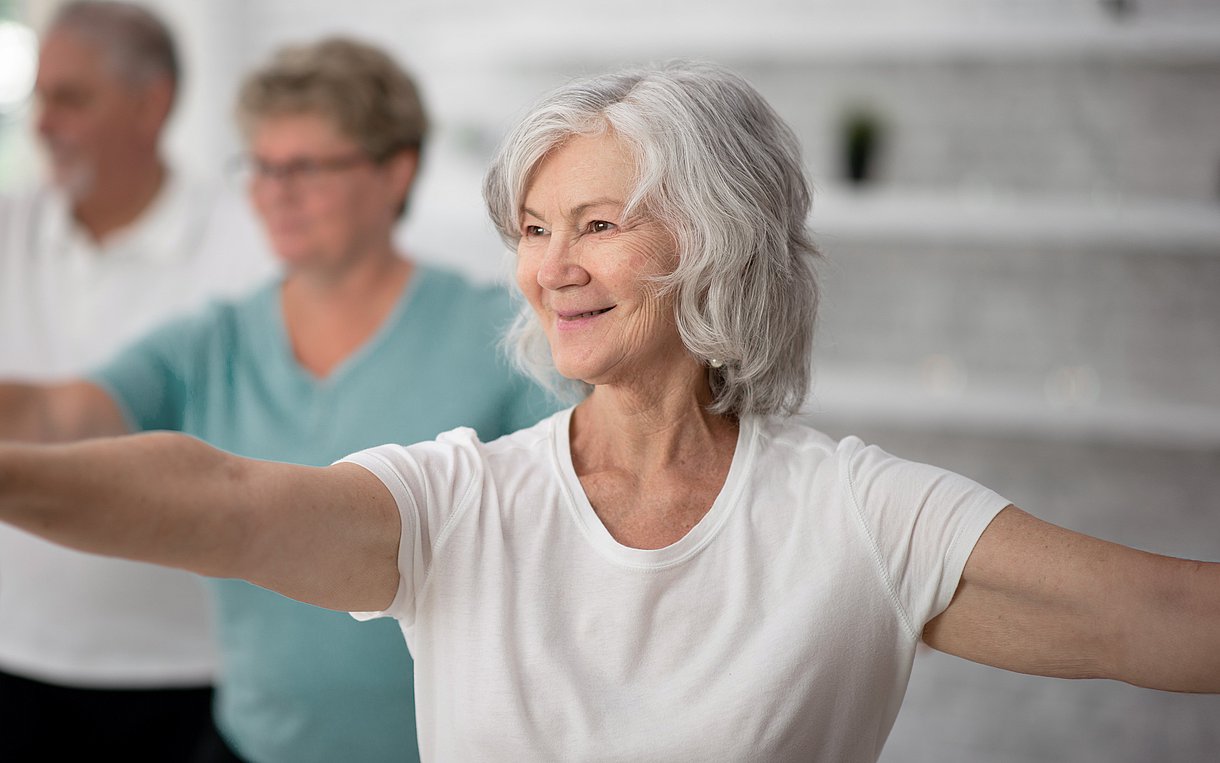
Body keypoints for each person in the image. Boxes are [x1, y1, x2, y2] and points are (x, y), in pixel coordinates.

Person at [1, 61, 1217, 762]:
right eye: (533, 230)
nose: (551, 266)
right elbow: (219, 497)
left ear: (720, 243)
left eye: (598, 224)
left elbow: (1163, 617)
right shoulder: (459, 499)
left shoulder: (858, 513)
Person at [0, 35, 551, 763]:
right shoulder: (215, 340)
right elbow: (61, 414)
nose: (275, 191)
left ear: (396, 171)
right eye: (260, 166)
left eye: (307, 167)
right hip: (251, 742)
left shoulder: (502, 336)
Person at [0, 3, 273, 759]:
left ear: (151, 105)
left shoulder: (246, 247)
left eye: (72, 98)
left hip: (186, 669)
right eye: (40, 98)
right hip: (14, 654)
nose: (43, 123)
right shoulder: (8, 227)